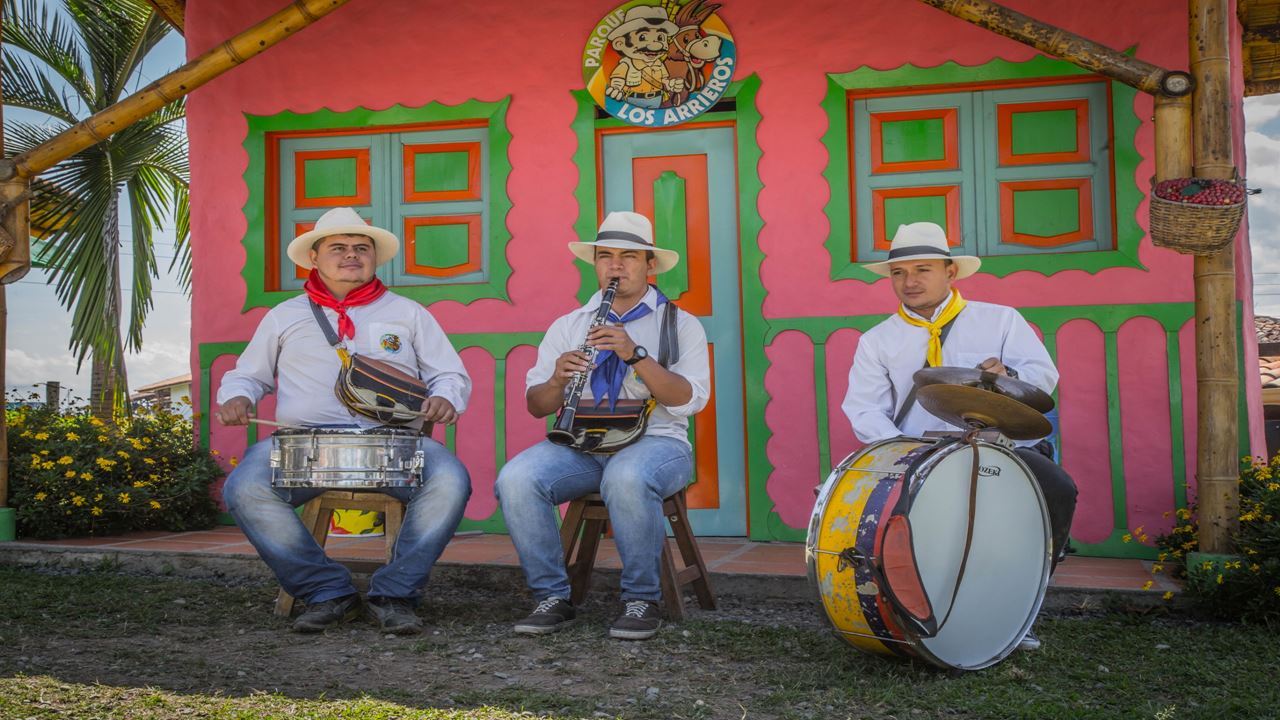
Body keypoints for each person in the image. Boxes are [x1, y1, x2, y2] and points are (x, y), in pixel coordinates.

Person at [216, 206, 471, 635]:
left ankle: (396, 593)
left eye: (360, 248)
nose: (351, 255)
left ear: (374, 257)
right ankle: (326, 591)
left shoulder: (407, 313)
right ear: (314, 258)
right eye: (338, 247)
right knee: (245, 487)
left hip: (391, 441)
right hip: (304, 445)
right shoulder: (284, 315)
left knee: (450, 480)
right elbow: (248, 374)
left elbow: (448, 373)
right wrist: (238, 396)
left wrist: (445, 397)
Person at [840, 221, 1077, 652]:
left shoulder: (1001, 320)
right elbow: (862, 407)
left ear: (950, 272)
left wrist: (1011, 376)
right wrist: (904, 454)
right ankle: (912, 612)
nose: (909, 282)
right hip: (916, 453)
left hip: (1001, 446)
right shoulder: (876, 340)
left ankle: (1017, 607)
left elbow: (1043, 376)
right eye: (898, 273)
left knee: (1058, 489)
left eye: (923, 269)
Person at [495, 211, 710, 641]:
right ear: (594, 264)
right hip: (584, 444)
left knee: (626, 476)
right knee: (516, 477)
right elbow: (536, 406)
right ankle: (551, 597)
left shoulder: (679, 324)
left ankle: (640, 599)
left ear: (650, 265)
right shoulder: (570, 325)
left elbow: (689, 400)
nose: (615, 266)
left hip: (658, 442)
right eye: (605, 256)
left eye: (628, 256)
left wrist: (635, 355)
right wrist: (557, 379)